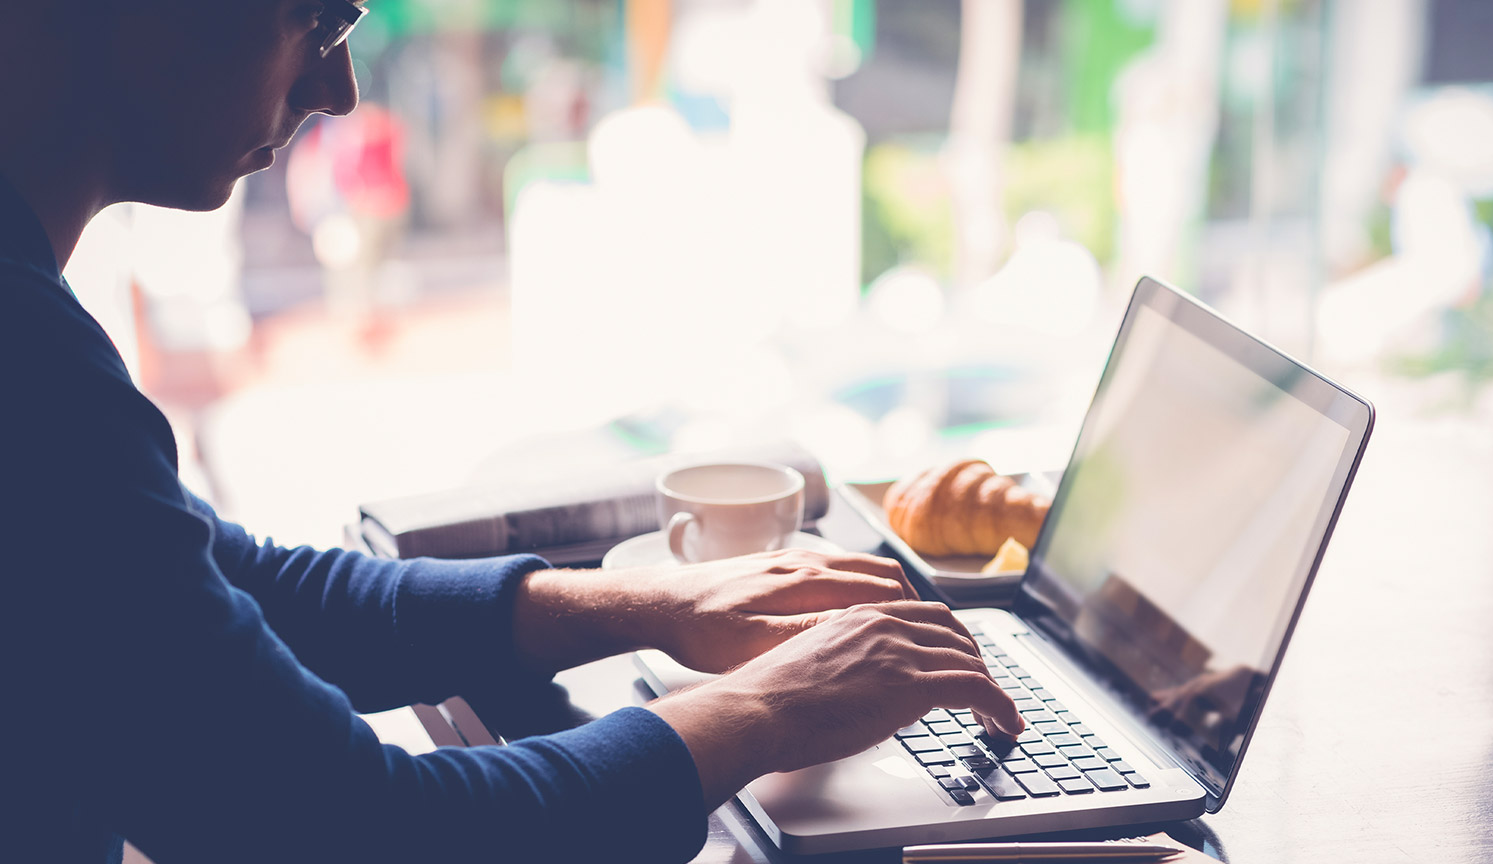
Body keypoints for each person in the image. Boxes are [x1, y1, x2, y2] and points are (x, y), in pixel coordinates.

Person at [0, 2, 1023, 863]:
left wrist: (655, 603)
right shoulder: (33, 377)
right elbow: (360, 830)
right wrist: (764, 708)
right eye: (316, 21)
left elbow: (248, 589)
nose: (339, 88)